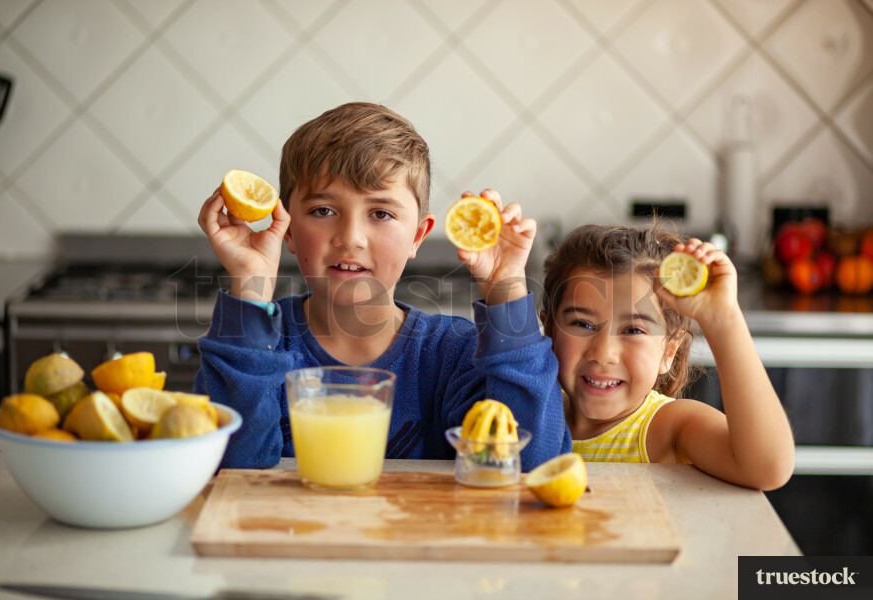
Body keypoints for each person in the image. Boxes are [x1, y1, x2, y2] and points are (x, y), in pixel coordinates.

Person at [195, 102, 571, 470]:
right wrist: (249, 285)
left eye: (381, 213)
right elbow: (231, 469)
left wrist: (506, 289)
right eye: (323, 211)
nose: (351, 238)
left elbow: (532, 466)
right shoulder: (256, 348)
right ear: (289, 228)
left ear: (417, 236)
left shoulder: (453, 355)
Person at [539, 224, 794, 490]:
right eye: (583, 324)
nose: (603, 354)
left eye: (633, 330)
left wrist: (724, 319)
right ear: (550, 332)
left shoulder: (668, 428)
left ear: (669, 352)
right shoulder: (531, 412)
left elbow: (768, 468)